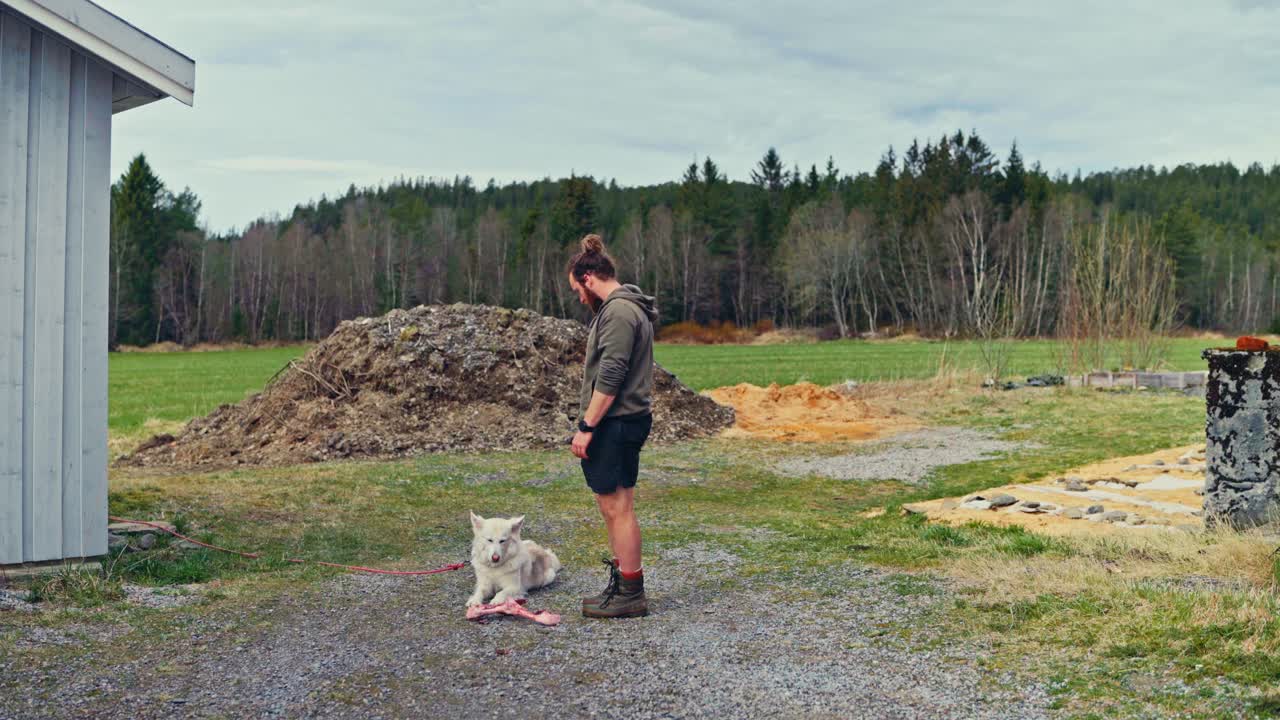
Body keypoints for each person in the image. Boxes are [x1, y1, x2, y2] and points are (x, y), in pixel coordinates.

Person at [567, 233, 656, 619]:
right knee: (614, 506)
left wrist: (587, 426)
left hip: (616, 422)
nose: (579, 298)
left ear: (588, 278)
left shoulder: (619, 312)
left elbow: (612, 374)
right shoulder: (625, 308)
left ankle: (631, 593)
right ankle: (623, 585)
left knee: (618, 508)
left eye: (577, 290)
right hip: (621, 420)